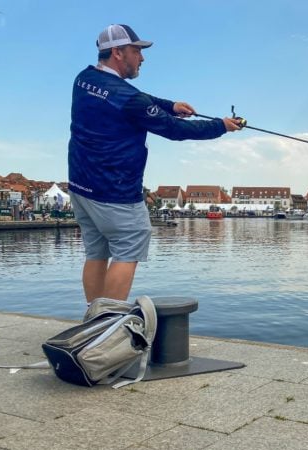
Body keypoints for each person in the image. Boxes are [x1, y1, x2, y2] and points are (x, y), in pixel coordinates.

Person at [68, 24, 243, 303]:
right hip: (115, 190)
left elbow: (136, 97)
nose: (142, 58)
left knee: (96, 252)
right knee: (129, 247)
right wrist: (220, 126)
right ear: (117, 53)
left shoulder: (84, 79)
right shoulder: (128, 99)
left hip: (80, 186)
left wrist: (171, 104)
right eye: (136, 51)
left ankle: (92, 321)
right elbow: (175, 130)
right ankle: (108, 326)